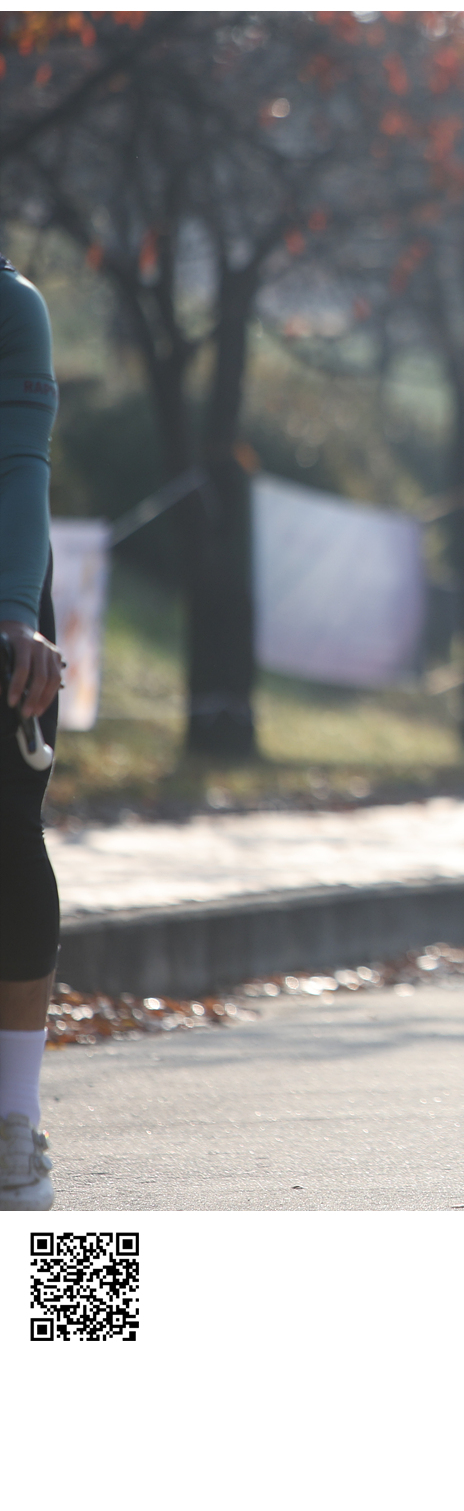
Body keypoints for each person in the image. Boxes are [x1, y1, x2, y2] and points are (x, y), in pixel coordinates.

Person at [0, 253, 66, 1212]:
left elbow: (20, 462)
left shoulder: (11, 307)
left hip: (2, 594)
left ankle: (13, 1122)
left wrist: (15, 613)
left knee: (7, 835)